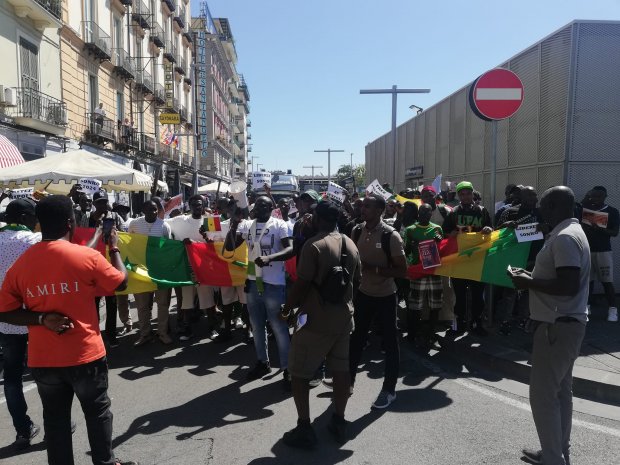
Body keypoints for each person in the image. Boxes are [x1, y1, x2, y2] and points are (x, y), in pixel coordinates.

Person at [0, 195, 136, 465]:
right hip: (85, 356)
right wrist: (115, 248)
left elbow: (4, 311)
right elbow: (120, 283)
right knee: (97, 414)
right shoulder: (85, 256)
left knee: (55, 421)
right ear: (70, 223)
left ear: (39, 224)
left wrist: (40, 319)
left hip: (44, 360)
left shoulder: (22, 264)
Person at [510, 186, 590, 465]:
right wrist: (530, 276)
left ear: (556, 206)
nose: (539, 209)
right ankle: (557, 451)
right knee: (561, 393)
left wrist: (527, 282)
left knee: (543, 397)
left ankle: (554, 459)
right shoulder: (568, 232)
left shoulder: (566, 237)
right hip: (566, 324)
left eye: (543, 204)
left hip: (557, 327)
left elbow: (567, 285)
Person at [281, 202, 361, 448]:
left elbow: (302, 283)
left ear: (318, 218)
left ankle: (304, 427)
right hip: (344, 319)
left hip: (315, 320)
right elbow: (357, 283)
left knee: (299, 373)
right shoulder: (351, 244)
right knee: (340, 371)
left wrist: (286, 310)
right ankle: (339, 420)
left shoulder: (313, 245)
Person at [227, 196, 294, 386]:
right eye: (259, 205)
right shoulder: (246, 225)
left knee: (279, 328)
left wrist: (269, 258)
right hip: (252, 283)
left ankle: (288, 368)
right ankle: (262, 362)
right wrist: (233, 226)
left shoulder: (280, 225)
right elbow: (231, 247)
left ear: (272, 207)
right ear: (254, 208)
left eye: (266, 205)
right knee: (256, 326)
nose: (262, 207)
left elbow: (290, 249)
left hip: (274, 283)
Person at [349, 194, 407, 409]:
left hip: (386, 297)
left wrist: (374, 269)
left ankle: (389, 390)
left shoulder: (390, 236)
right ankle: (348, 381)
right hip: (364, 294)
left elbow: (403, 271)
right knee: (356, 340)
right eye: (362, 206)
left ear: (380, 211)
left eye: (368, 206)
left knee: (391, 344)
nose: (362, 209)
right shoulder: (356, 230)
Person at [0, 199, 41, 449]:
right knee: (49, 375)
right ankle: (58, 424)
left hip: (6, 321)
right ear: (26, 217)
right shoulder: (33, 241)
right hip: (36, 319)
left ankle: (22, 431)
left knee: (12, 378)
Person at [442, 181, 493, 336]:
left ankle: (477, 323)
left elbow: (491, 230)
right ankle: (460, 324)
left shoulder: (482, 211)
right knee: (460, 294)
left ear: (472, 194)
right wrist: (450, 234)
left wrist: (488, 229)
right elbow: (444, 232)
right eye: (462, 194)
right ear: (458, 196)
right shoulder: (453, 212)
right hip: (459, 260)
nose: (465, 197)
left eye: (468, 193)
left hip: (477, 259)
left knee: (478, 295)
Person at [166, 194, 219, 340]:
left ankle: (212, 328)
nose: (197, 206)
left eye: (199, 203)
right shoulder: (179, 220)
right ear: (189, 205)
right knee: (187, 300)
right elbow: (161, 224)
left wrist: (197, 243)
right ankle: (187, 328)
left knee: (208, 299)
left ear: (203, 205)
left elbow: (217, 243)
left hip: (205, 267)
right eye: (194, 204)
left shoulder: (211, 221)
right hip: (186, 267)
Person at [81, 190, 126, 347]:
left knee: (112, 302)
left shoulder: (115, 217)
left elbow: (126, 235)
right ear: (94, 204)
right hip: (93, 265)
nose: (101, 204)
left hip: (110, 262)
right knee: (93, 303)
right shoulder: (86, 218)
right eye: (98, 202)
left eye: (104, 201)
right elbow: (81, 236)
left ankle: (111, 335)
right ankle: (94, 334)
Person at [496, 186, 543, 334]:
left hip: (535, 257)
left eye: (535, 195)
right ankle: (506, 321)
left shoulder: (541, 212)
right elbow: (496, 232)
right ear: (521, 197)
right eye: (530, 196)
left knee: (530, 290)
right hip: (514, 257)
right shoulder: (509, 211)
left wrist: (545, 227)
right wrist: (505, 225)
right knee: (510, 291)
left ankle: (524, 318)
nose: (534, 199)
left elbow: (552, 228)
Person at [128, 200, 174, 346]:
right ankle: (145, 334)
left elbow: (168, 247)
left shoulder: (164, 225)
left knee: (162, 304)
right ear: (143, 210)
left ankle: (162, 333)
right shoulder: (134, 224)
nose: (153, 212)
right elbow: (129, 243)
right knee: (142, 305)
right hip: (140, 272)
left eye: (155, 209)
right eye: (150, 209)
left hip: (159, 271)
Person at [403, 203, 444, 348]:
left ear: (431, 214)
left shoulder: (437, 229)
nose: (425, 214)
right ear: (418, 213)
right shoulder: (410, 230)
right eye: (422, 212)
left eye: (428, 212)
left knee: (435, 305)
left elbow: (443, 251)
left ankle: (431, 333)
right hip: (418, 272)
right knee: (415, 306)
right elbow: (405, 251)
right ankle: (413, 333)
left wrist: (439, 241)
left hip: (434, 272)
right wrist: (412, 245)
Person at [579, 186, 619, 322]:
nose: (595, 199)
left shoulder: (612, 211)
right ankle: (587, 307)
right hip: (587, 250)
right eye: (593, 196)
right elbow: (579, 205)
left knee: (607, 281)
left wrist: (599, 229)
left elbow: (614, 233)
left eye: (599, 196)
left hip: (603, 251)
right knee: (587, 281)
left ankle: (613, 309)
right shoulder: (586, 210)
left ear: (605, 196)